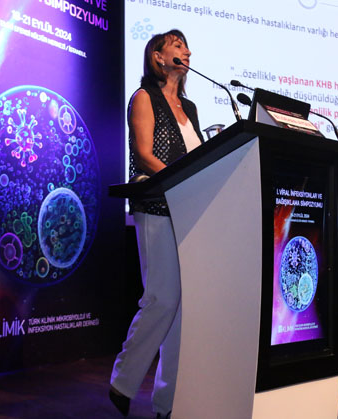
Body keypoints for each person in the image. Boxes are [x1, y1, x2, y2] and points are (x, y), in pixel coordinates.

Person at [109, 29, 204, 419]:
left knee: (182, 308)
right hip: (157, 204)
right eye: (177, 45)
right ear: (158, 57)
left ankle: (168, 403)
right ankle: (123, 381)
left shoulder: (190, 107)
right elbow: (145, 154)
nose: (187, 51)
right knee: (162, 298)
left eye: (187, 46)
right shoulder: (144, 97)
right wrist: (182, 182)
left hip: (189, 208)